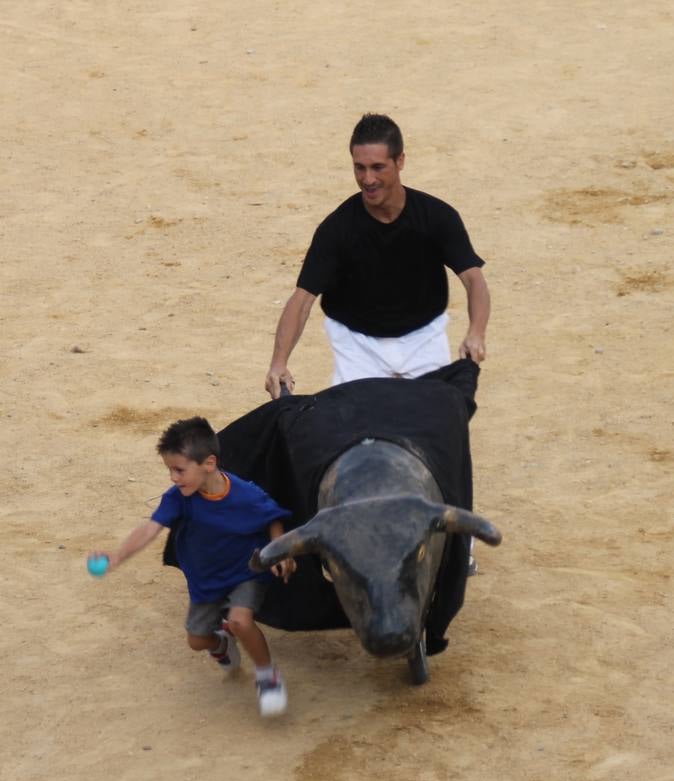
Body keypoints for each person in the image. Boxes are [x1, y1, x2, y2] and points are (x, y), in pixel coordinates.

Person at [265, 112, 491, 399]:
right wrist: (279, 362)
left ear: (400, 161)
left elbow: (473, 279)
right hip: (358, 346)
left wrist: (476, 331)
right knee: (358, 424)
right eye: (359, 168)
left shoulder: (437, 217)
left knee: (434, 419)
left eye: (377, 167)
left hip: (424, 339)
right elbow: (302, 299)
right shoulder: (337, 229)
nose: (368, 179)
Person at [88, 416, 296, 717]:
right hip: (206, 580)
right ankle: (221, 644)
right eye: (170, 470)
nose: (173, 478)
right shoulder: (178, 498)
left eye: (179, 470)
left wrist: (280, 551)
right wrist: (118, 556)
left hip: (245, 572)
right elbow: (150, 528)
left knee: (240, 621)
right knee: (197, 641)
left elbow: (273, 518)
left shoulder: (246, 495)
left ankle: (268, 677)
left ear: (209, 463)